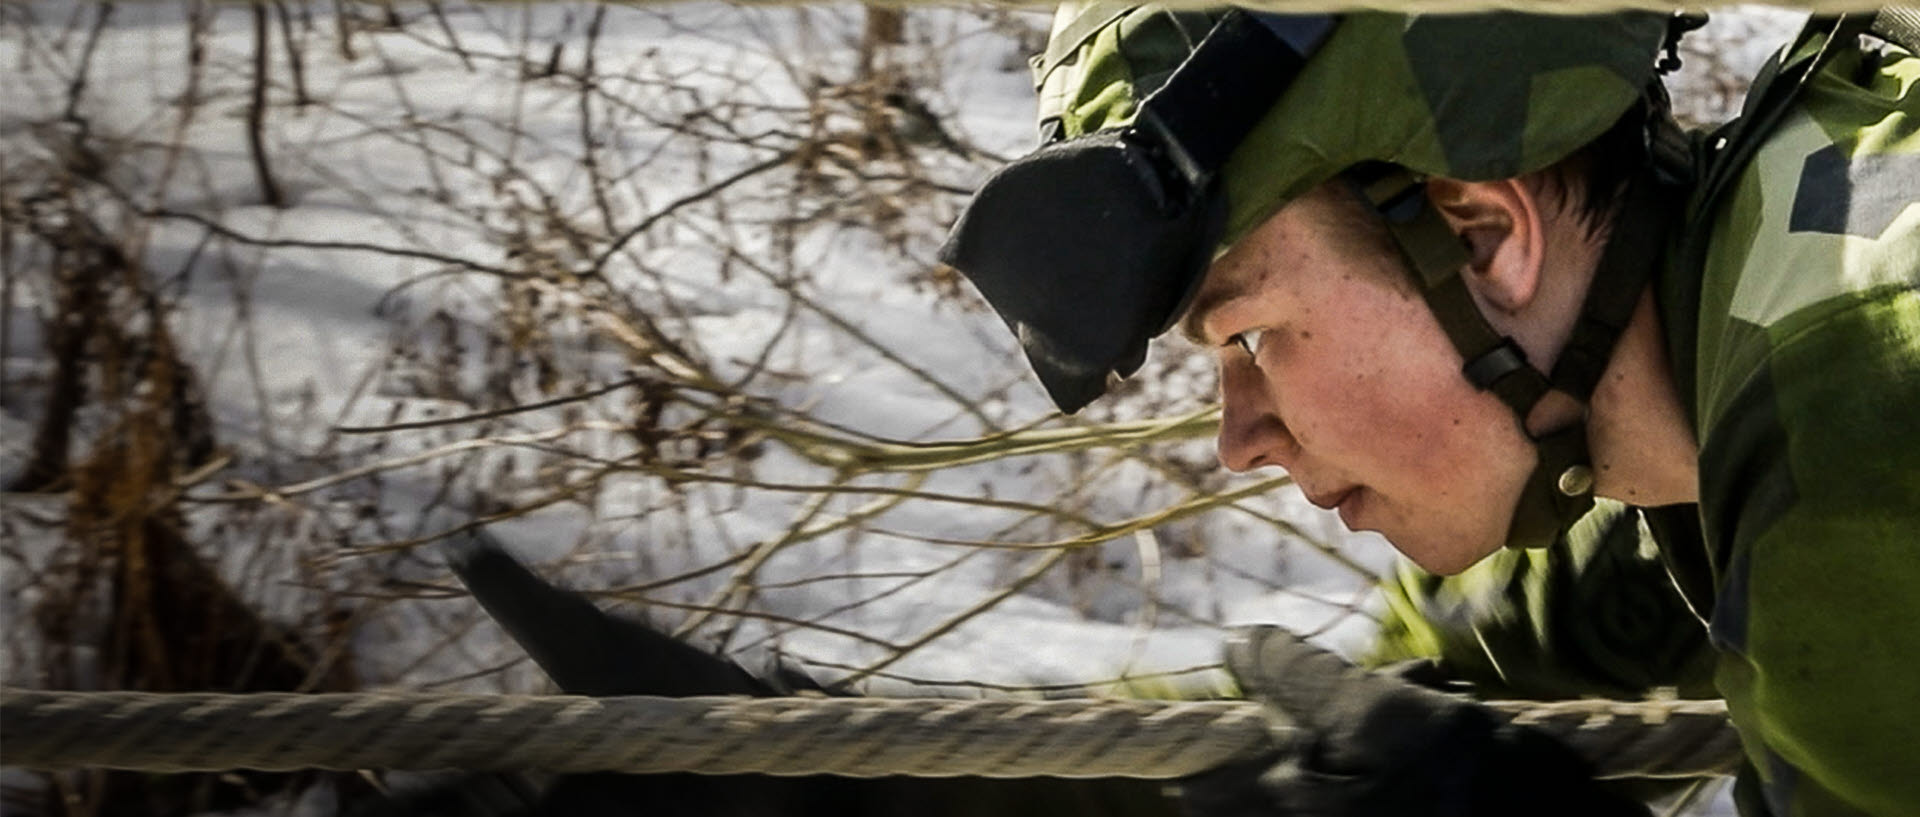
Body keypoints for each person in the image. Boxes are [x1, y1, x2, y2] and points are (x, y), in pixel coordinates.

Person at [939, 4, 1920, 815]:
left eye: (1248, 337)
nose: (1240, 441)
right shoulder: (1739, 328)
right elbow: (1381, 734)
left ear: (1482, 235)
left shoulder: (1856, 431)